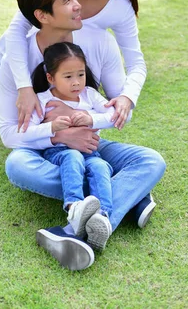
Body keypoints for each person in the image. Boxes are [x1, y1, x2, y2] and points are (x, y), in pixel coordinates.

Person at [0, 0, 166, 271]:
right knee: (16, 165)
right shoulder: (16, 60)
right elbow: (9, 135)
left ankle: (78, 230)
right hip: (46, 151)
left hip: (90, 145)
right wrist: (58, 135)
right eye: (67, 0)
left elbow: (115, 108)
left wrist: (90, 116)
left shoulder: (100, 41)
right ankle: (121, 196)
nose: (79, 5)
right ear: (43, 15)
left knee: (152, 161)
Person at [0, 0, 149, 134]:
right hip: (16, 60)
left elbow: (136, 63)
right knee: (31, 119)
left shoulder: (121, 10)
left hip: (67, 64)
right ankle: (11, 95)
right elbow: (17, 30)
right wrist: (23, 86)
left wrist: (127, 97)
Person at [32, 41, 130, 251]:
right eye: (68, 77)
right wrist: (52, 127)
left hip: (90, 150)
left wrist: (90, 118)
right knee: (72, 158)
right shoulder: (43, 100)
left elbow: (113, 116)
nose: (76, 82)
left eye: (81, 74)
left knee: (100, 167)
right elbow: (29, 130)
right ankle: (75, 208)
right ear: (51, 78)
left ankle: (101, 217)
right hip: (60, 151)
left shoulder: (89, 95)